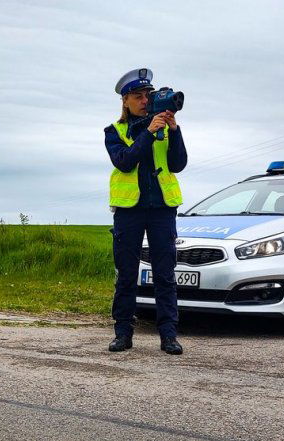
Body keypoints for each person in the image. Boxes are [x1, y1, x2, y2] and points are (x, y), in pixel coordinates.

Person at [104, 68, 187, 355]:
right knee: (127, 274)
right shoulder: (115, 131)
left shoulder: (164, 126)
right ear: (125, 101)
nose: (144, 100)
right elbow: (125, 162)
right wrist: (149, 133)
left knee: (165, 274)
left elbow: (178, 164)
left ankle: (168, 336)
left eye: (147, 95)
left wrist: (174, 133)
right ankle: (123, 334)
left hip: (162, 209)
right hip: (129, 211)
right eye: (138, 96)